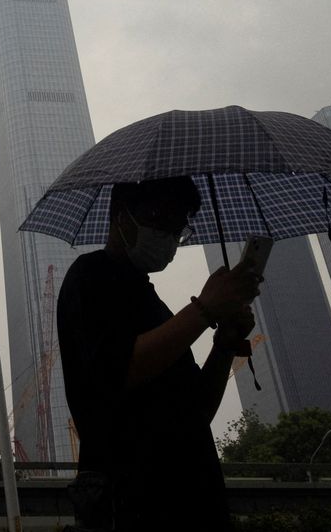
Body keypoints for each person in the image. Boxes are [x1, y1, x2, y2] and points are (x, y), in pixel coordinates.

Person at [58, 176, 261, 531]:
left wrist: (225, 342)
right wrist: (205, 308)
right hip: (132, 501)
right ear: (121, 216)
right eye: (159, 218)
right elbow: (121, 368)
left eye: (178, 226)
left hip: (194, 499)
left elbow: (196, 410)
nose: (169, 235)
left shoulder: (153, 303)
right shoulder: (90, 277)